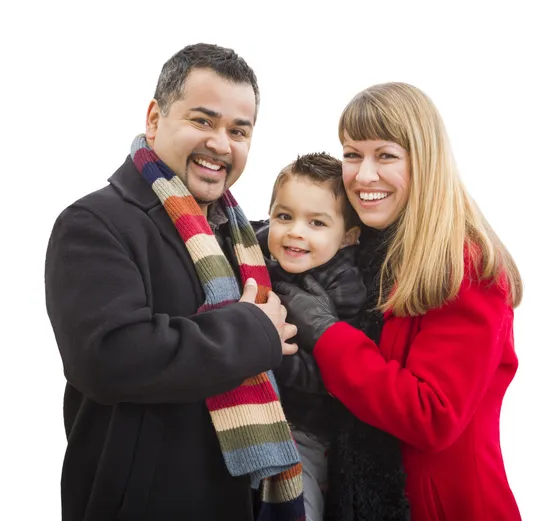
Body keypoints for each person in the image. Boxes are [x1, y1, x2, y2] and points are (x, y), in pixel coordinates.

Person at [45, 43, 305, 521]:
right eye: (202, 121)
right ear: (154, 118)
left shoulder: (245, 239)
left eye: (238, 131)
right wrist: (252, 331)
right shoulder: (93, 223)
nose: (221, 144)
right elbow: (108, 358)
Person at [276, 82, 523, 521]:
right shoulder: (364, 250)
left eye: (385, 155)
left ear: (424, 161)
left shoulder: (466, 267)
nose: (363, 175)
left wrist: (326, 332)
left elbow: (432, 415)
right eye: (352, 154)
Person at [253, 152, 366, 521]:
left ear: (347, 237)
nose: (295, 231)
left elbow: (330, 375)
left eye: (317, 223)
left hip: (305, 431)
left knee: (296, 506)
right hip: (254, 418)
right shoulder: (255, 254)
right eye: (284, 216)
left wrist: (271, 354)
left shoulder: (344, 285)